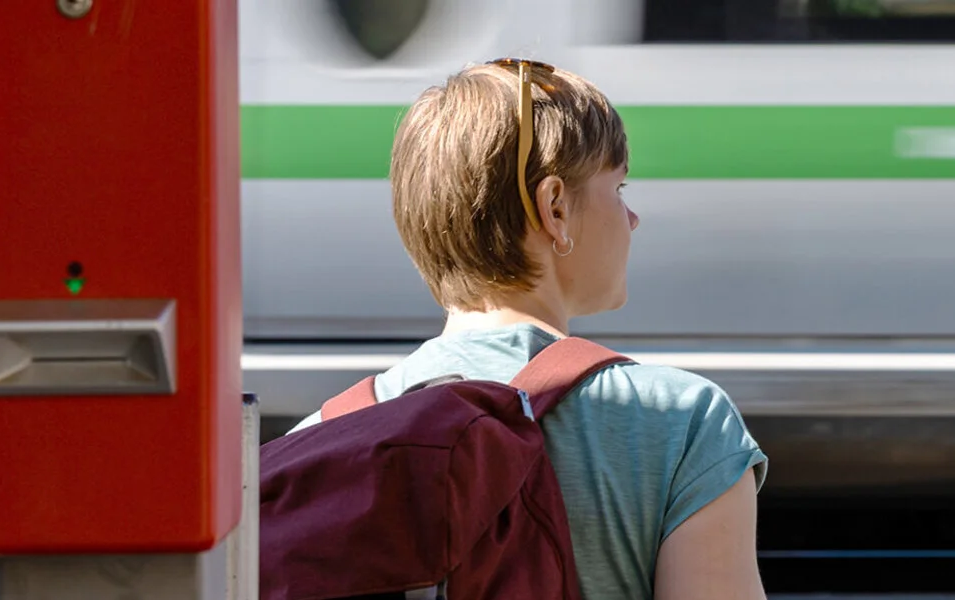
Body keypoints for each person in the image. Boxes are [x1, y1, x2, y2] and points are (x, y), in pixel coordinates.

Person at [284, 58, 770, 600]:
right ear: (555, 209)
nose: (632, 219)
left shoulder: (318, 440)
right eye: (619, 189)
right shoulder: (683, 423)